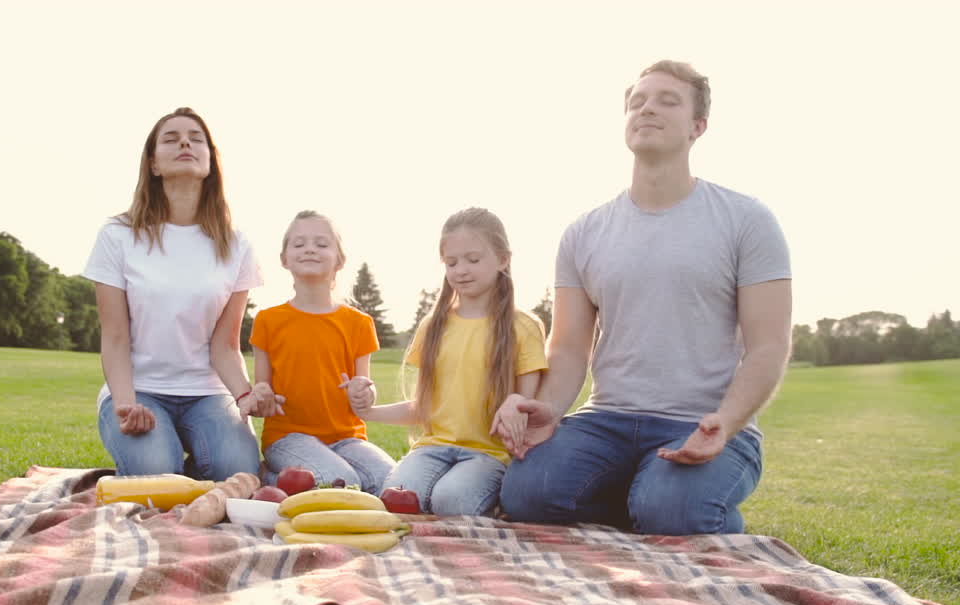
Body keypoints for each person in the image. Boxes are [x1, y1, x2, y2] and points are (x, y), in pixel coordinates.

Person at [498, 60, 792, 535]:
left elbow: (769, 345)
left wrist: (727, 420)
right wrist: (549, 408)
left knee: (670, 511)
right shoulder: (583, 232)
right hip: (607, 420)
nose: (647, 108)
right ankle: (646, 497)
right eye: (637, 101)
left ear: (699, 126)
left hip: (702, 422)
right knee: (527, 493)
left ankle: (665, 502)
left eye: (667, 100)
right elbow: (570, 345)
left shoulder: (747, 220)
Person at [82, 107, 264, 481]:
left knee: (240, 474)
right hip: (140, 390)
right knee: (157, 474)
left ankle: (198, 459)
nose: (185, 142)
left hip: (208, 393)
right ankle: (160, 457)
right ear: (153, 164)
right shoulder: (117, 235)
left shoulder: (236, 245)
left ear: (210, 162)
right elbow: (115, 339)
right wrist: (125, 404)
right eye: (171, 138)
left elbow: (226, 346)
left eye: (196, 138)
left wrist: (245, 395)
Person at [346, 208, 547, 516]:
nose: (461, 270)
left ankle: (494, 505)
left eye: (473, 259)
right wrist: (366, 410)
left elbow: (524, 407)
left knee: (450, 501)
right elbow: (423, 406)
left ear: (503, 260)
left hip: (488, 455)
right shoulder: (433, 326)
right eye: (451, 262)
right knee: (397, 500)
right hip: (432, 449)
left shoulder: (524, 327)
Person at [247, 210, 395, 494]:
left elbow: (363, 392)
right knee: (342, 481)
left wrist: (363, 393)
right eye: (299, 244)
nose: (310, 249)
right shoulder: (268, 320)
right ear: (284, 259)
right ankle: (271, 479)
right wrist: (261, 394)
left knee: (391, 483)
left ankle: (291, 480)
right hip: (288, 437)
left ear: (339, 260)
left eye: (321, 244)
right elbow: (262, 386)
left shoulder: (359, 323)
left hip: (347, 438)